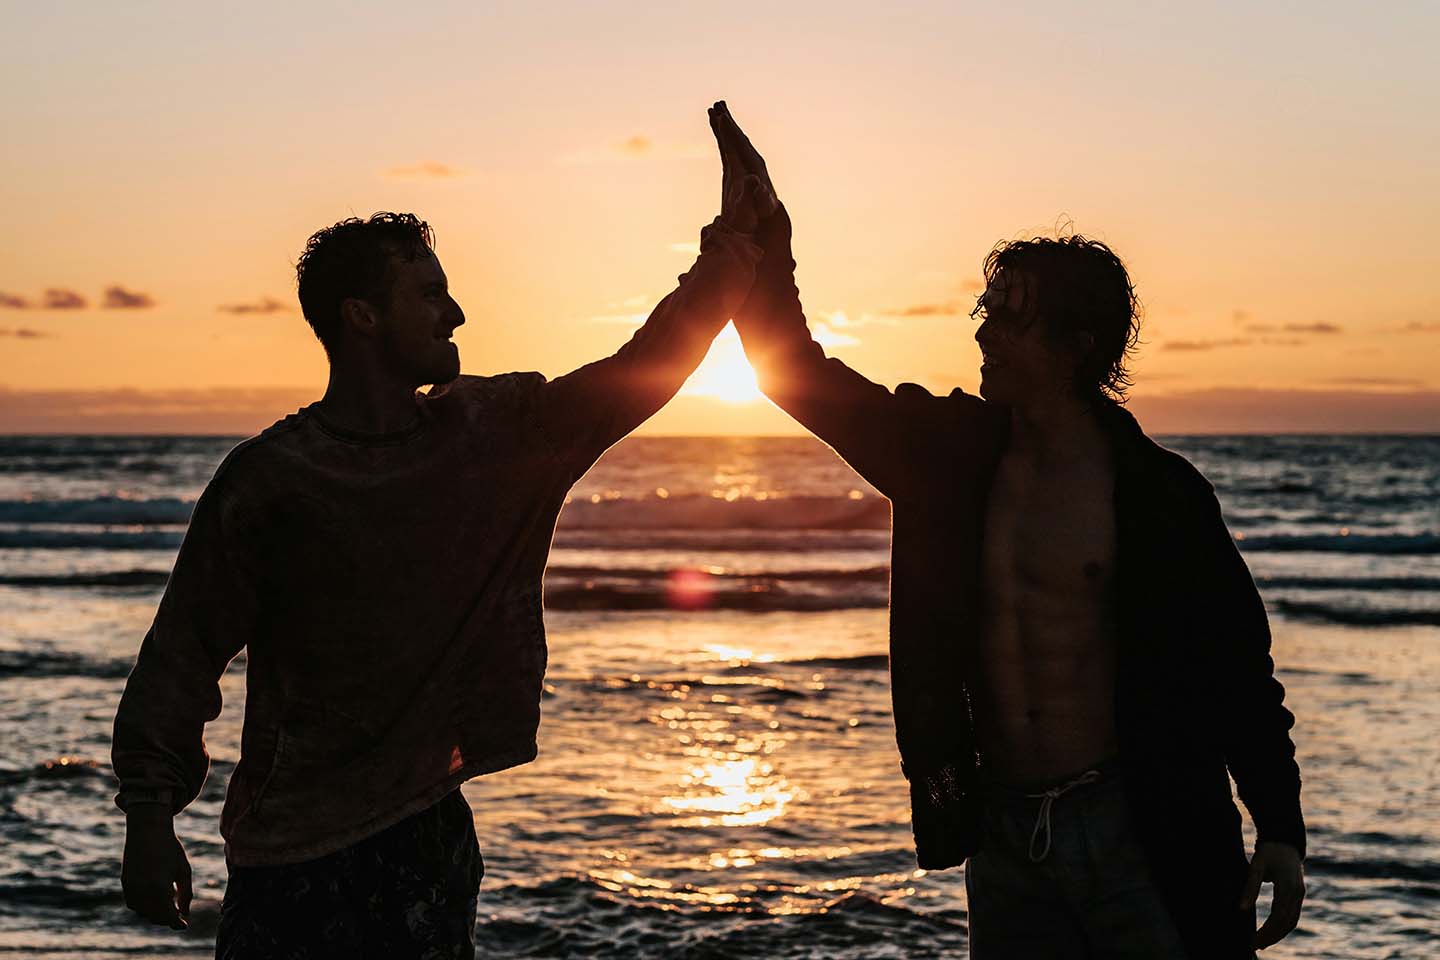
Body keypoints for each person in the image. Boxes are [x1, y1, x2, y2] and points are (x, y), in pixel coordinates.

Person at [112, 109, 773, 956]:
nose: (456, 312)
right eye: (429, 294)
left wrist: (731, 248)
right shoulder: (274, 480)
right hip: (295, 854)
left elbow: (640, 369)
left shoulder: (492, 434)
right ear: (361, 317)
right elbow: (183, 651)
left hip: (427, 838)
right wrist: (147, 817)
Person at [709, 101, 1305, 958]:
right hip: (1004, 838)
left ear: (1076, 344)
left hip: (1142, 832)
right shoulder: (942, 456)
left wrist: (1279, 824)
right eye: (984, 310)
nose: (981, 332)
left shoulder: (1161, 495)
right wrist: (768, 238)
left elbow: (1237, 669)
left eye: (1008, 317)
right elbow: (791, 370)